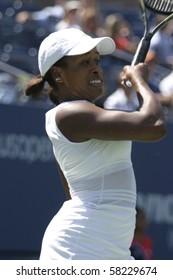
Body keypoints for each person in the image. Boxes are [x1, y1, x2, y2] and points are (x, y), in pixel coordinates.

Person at [25, 28, 166, 260]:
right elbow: (154, 124)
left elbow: (72, 193)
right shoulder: (71, 113)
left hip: (105, 249)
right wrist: (140, 81)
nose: (96, 68)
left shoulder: (76, 116)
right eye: (84, 62)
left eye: (96, 60)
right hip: (80, 249)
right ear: (58, 74)